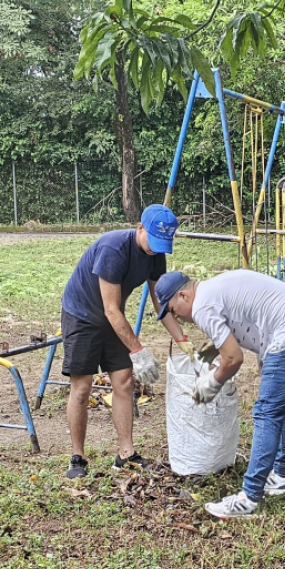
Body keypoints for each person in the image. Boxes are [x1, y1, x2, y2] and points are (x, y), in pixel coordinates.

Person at [154, 269, 285, 519]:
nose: (177, 317)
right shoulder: (213, 289)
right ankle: (281, 477)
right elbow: (244, 317)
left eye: (172, 310)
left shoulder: (202, 306)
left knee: (267, 411)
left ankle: (249, 498)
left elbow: (234, 358)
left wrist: (211, 383)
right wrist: (215, 352)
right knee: (279, 405)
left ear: (183, 295)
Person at [60, 204, 194, 479]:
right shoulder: (114, 249)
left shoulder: (155, 253)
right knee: (82, 387)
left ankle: (126, 454)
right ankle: (78, 457)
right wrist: (138, 350)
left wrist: (183, 341)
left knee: (123, 380)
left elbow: (161, 303)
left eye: (162, 245)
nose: (155, 249)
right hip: (83, 315)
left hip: (113, 318)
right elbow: (110, 308)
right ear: (140, 228)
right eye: (153, 241)